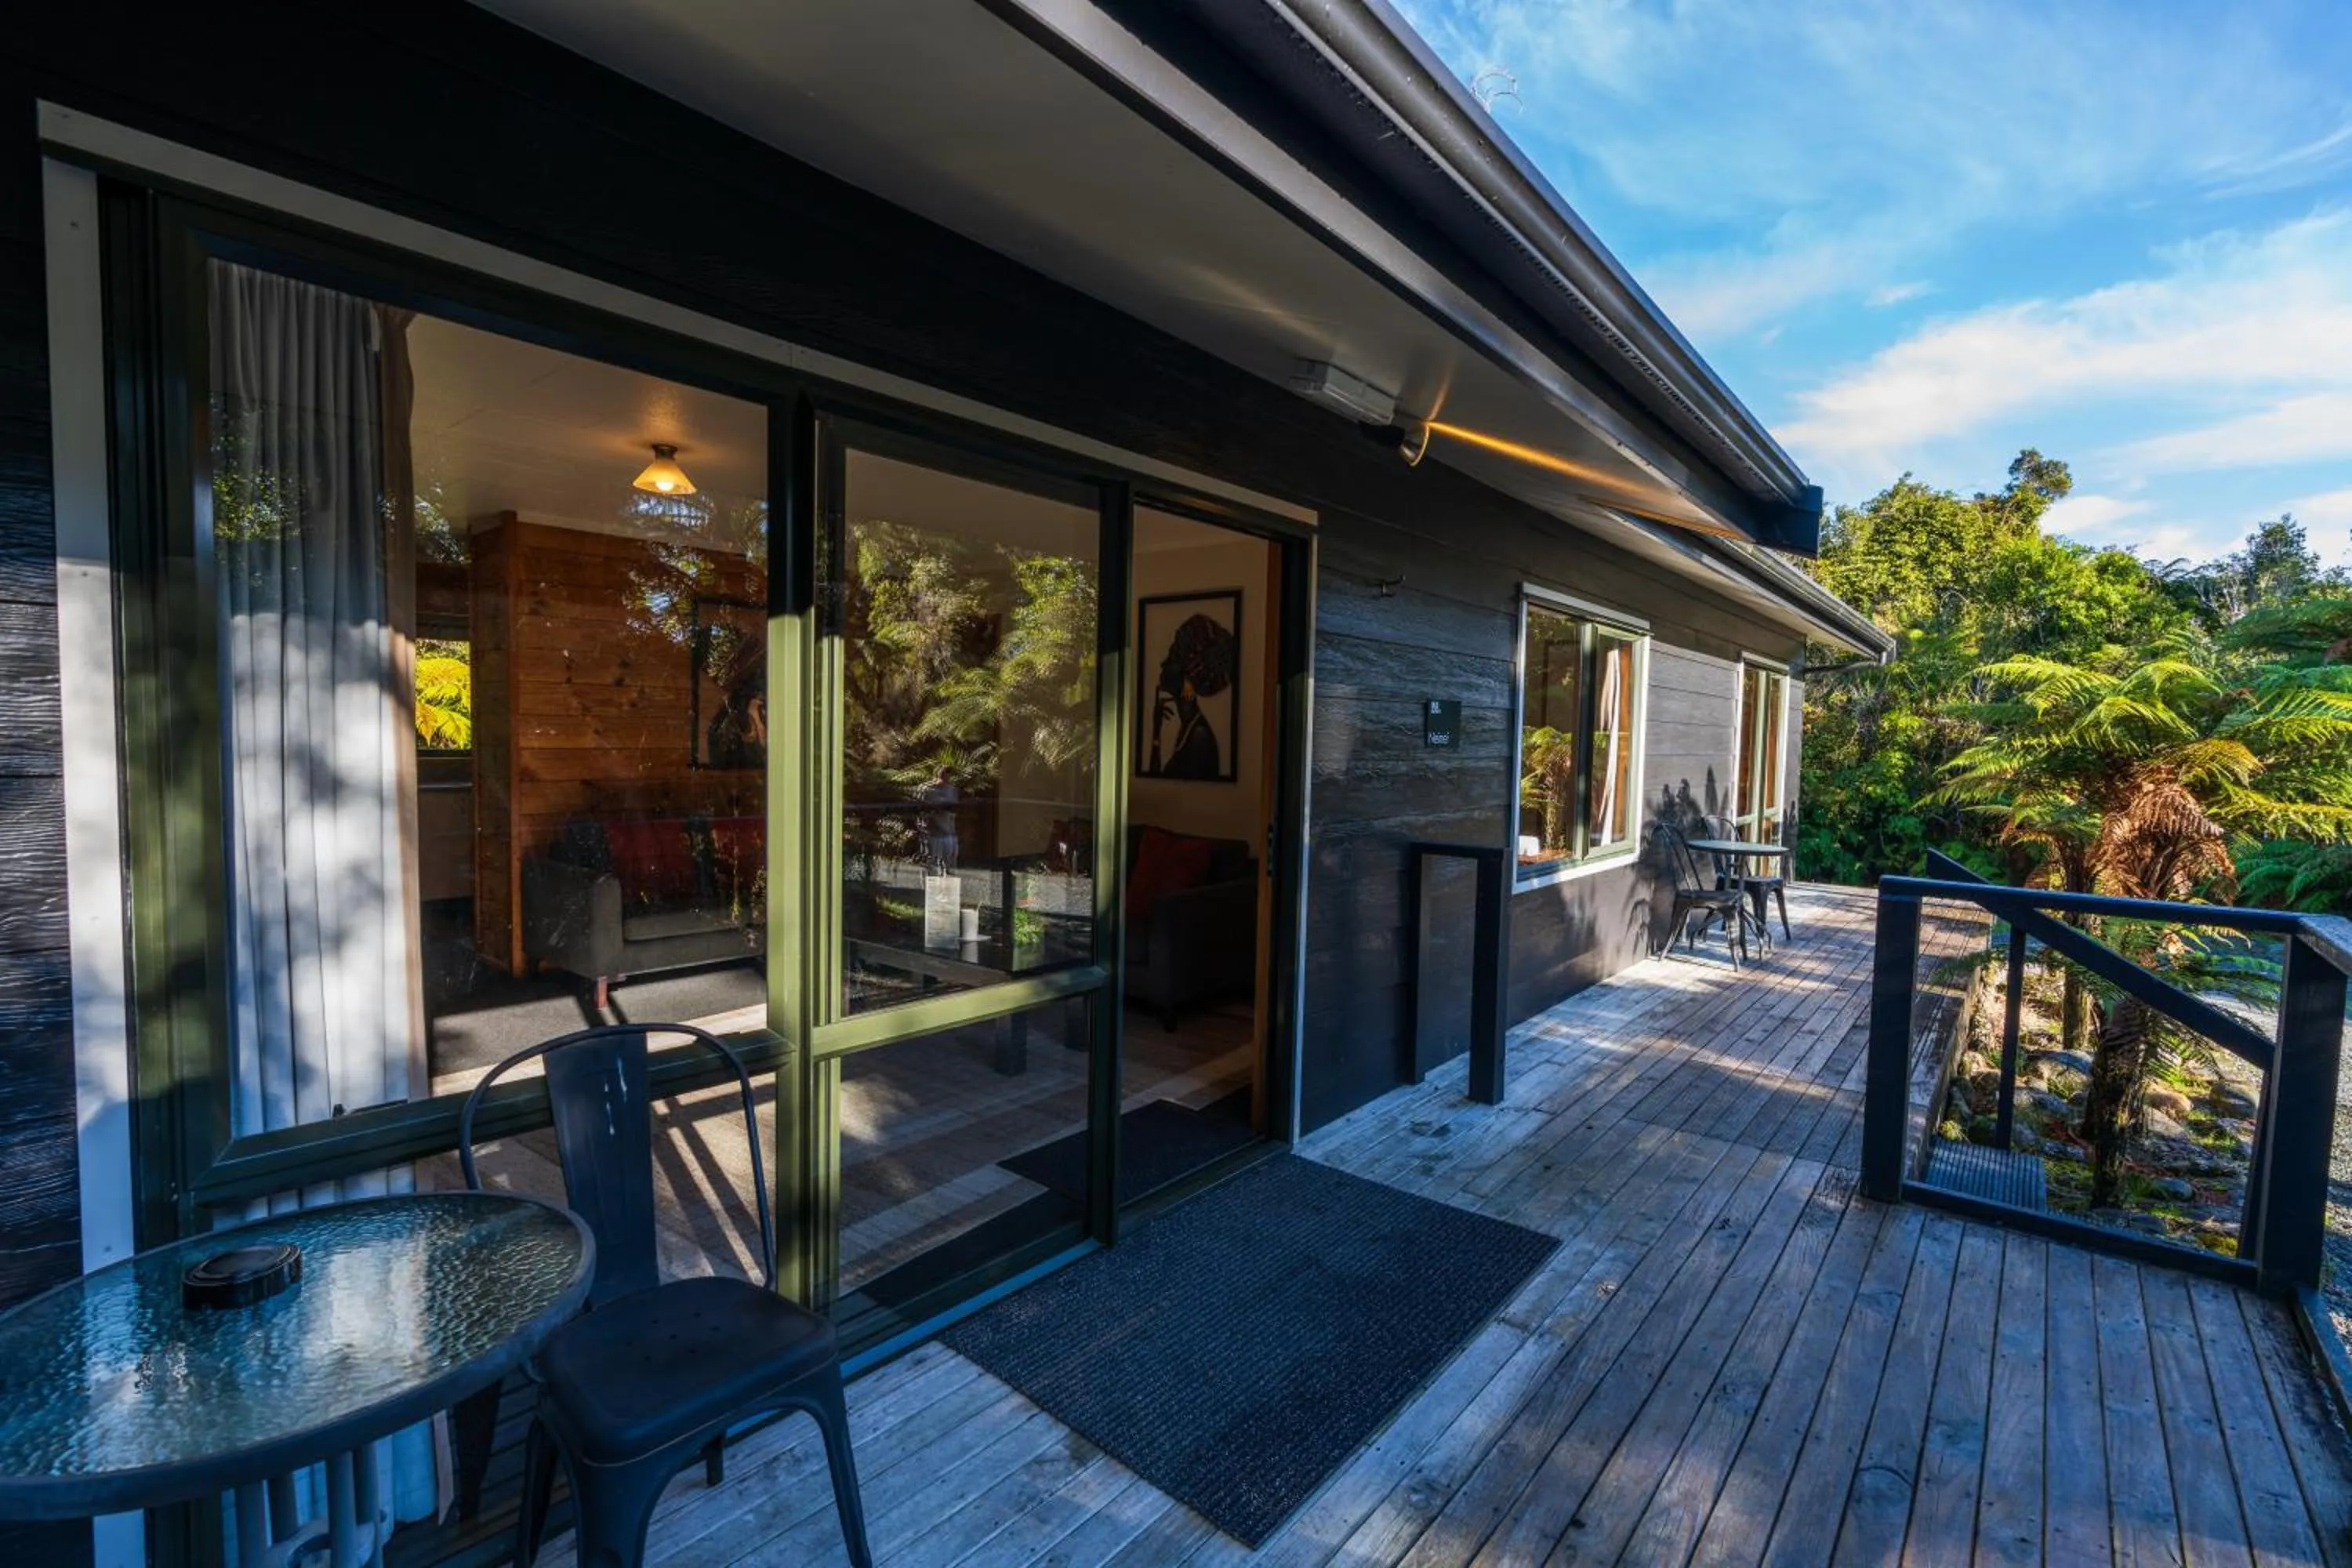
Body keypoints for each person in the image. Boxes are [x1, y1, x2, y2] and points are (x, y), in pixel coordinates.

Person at [1148, 612, 1237, 780]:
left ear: (1188, 678)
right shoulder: (1190, 727)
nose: (1163, 663)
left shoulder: (1199, 738)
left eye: (1172, 657)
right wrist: (1156, 731)